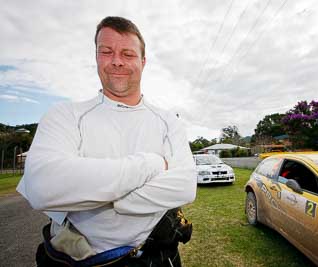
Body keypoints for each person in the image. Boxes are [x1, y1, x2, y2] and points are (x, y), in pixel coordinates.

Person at [17, 16, 197, 266]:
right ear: (96, 57)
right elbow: (42, 186)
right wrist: (153, 164)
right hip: (78, 259)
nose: (116, 61)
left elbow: (185, 187)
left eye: (128, 53)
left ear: (143, 62)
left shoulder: (169, 123)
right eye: (106, 51)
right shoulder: (65, 115)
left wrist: (102, 196)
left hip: (156, 257)